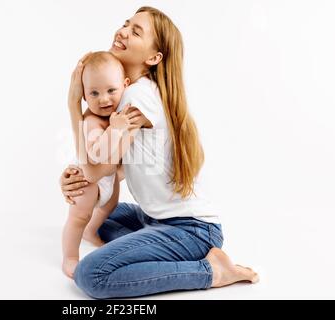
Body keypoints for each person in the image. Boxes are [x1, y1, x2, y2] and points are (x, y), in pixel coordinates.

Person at [61, 6, 259, 299]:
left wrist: (73, 105)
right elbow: (111, 170)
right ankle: (153, 248)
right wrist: (73, 179)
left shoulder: (135, 97)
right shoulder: (124, 95)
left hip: (191, 229)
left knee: (91, 275)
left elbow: (96, 170)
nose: (123, 31)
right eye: (126, 24)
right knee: (99, 214)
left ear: (153, 58)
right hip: (157, 218)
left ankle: (212, 271)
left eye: (136, 31)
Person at [62, 51, 144, 278]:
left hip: (108, 180)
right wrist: (115, 130)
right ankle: (69, 257)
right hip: (87, 182)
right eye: (94, 93)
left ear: (125, 85)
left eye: (111, 90)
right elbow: (95, 154)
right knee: (78, 217)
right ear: (85, 96)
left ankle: (91, 231)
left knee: (109, 206)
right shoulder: (92, 121)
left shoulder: (120, 112)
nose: (104, 99)